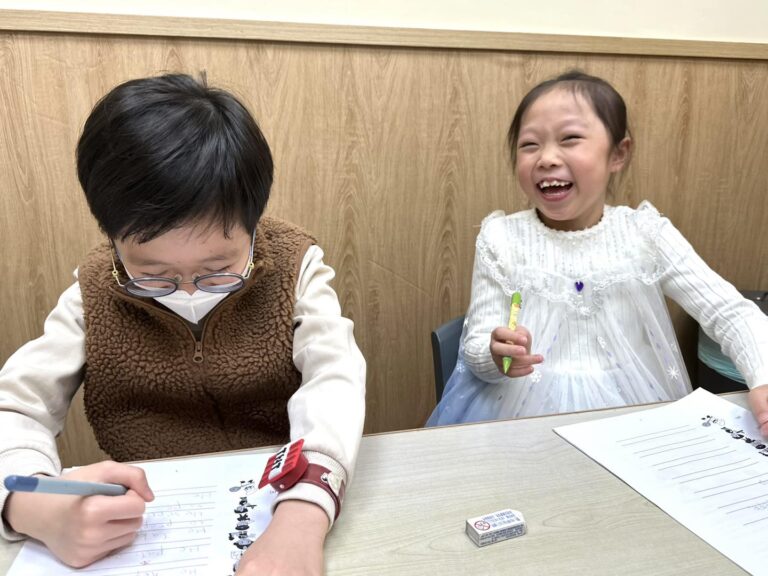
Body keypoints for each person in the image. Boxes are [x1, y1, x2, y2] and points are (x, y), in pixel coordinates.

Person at [0, 73, 366, 575]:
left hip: (276, 497)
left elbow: (335, 381)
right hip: (151, 525)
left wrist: (304, 512)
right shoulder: (93, 291)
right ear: (112, 239)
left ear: (253, 225)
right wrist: (27, 503)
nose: (189, 292)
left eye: (218, 270)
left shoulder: (293, 266)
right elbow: (15, 406)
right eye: (153, 275)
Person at [428, 70, 768, 435]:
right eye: (529, 145)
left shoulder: (645, 234)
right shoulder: (502, 238)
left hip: (632, 412)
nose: (546, 158)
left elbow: (730, 312)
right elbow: (476, 346)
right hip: (520, 416)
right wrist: (496, 354)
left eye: (570, 138)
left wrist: (762, 377)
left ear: (618, 154)